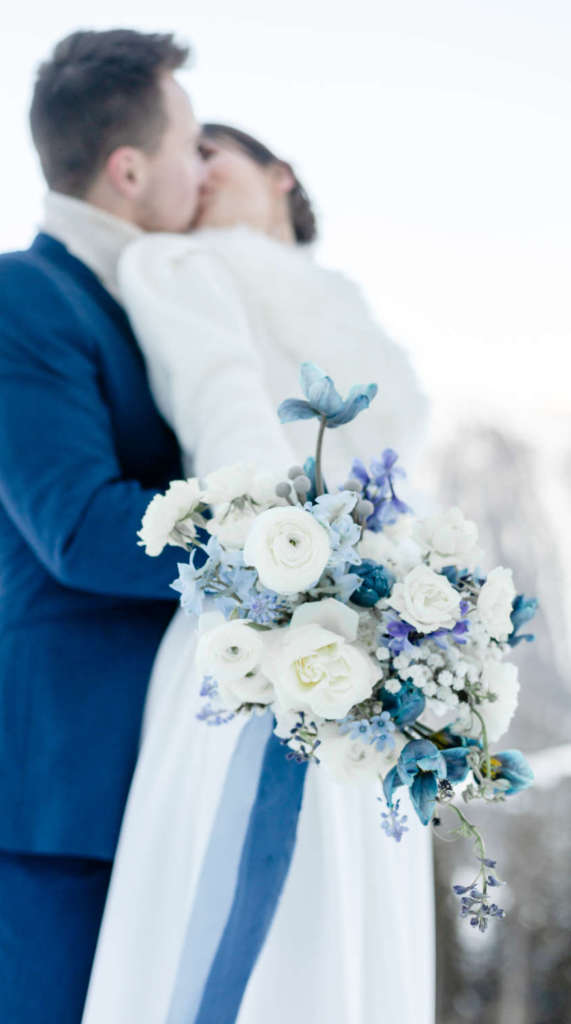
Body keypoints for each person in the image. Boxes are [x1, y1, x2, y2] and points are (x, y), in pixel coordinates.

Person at [78, 126, 435, 1023]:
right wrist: (299, 572)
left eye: (212, 152)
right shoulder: (179, 267)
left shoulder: (348, 313)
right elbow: (226, 418)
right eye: (181, 153)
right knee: (252, 906)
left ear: (278, 175)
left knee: (351, 922)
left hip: (378, 651)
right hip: (259, 623)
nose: (190, 171)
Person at [0, 29, 210, 1023]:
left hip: (157, 778)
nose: (203, 168)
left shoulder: (159, 306)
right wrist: (287, 556)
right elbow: (82, 528)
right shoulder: (14, 298)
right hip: (49, 791)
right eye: (191, 146)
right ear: (128, 170)